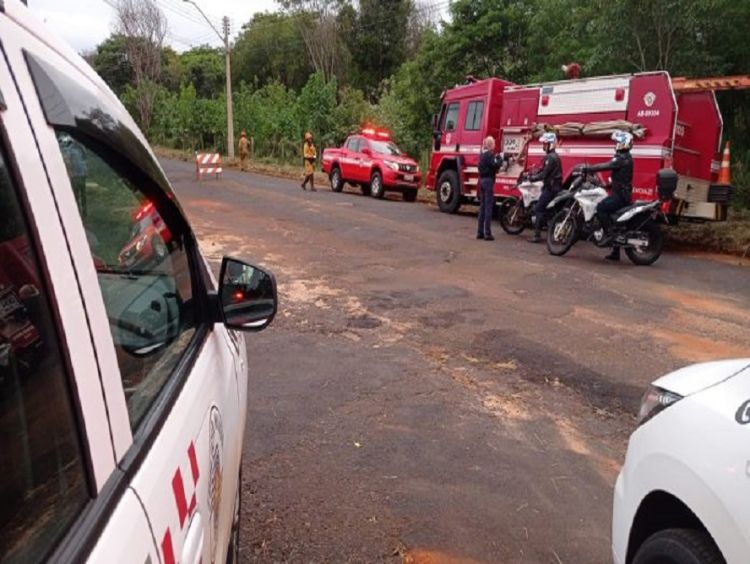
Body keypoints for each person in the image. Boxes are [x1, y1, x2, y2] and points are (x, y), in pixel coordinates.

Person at [581, 130, 634, 261]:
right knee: (612, 218)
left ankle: (609, 235)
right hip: (621, 192)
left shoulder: (622, 158)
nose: (615, 144)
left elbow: (607, 165)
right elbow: (621, 178)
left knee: (601, 208)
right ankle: (615, 252)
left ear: (623, 143)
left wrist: (590, 168)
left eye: (617, 142)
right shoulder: (625, 157)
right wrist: (608, 186)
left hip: (621, 196)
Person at [526, 131, 563, 243]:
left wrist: (532, 178)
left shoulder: (550, 157)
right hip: (554, 187)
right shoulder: (553, 156)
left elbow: (544, 174)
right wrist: (533, 173)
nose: (543, 146)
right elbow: (542, 170)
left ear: (550, 144)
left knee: (538, 208)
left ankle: (537, 235)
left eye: (545, 144)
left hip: (551, 188)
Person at [477, 136, 504, 240]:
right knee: (488, 208)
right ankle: (487, 233)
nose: (495, 145)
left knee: (482, 208)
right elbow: (495, 165)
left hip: (482, 180)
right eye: (493, 144)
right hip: (488, 181)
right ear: (490, 145)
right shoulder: (489, 155)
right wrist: (500, 159)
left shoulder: (482, 155)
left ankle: (480, 232)